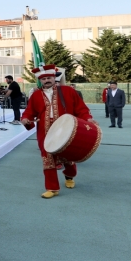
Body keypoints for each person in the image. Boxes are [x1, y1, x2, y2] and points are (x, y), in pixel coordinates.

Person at [20, 64, 96, 199]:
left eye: (49, 78)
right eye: (43, 79)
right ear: (40, 81)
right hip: (45, 132)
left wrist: (88, 119)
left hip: (66, 130)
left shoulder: (67, 91)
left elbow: (81, 108)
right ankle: (52, 188)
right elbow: (29, 111)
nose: (46, 81)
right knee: (47, 158)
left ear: (54, 78)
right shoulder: (36, 95)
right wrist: (26, 119)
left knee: (68, 157)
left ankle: (70, 176)